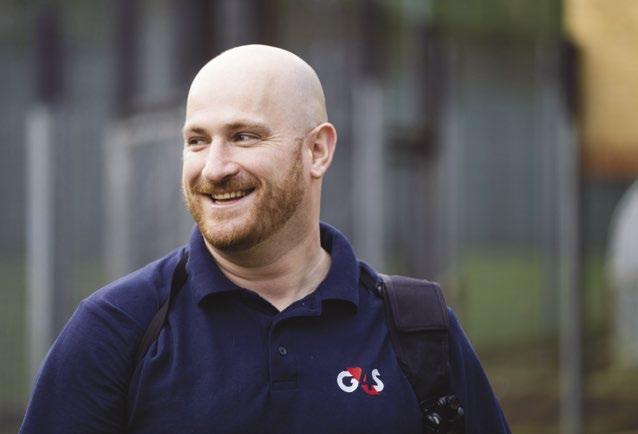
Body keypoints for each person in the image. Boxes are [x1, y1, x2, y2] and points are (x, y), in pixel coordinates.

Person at [20, 45, 510, 434]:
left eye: (244, 137)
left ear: (317, 151)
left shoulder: (418, 330)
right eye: (197, 141)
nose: (214, 168)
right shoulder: (116, 328)